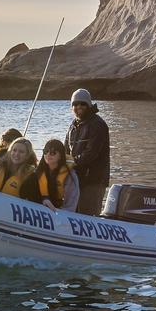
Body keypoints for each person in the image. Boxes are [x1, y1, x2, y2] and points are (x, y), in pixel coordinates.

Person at [65, 88, 110, 216]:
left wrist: (70, 163)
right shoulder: (73, 126)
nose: (78, 106)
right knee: (73, 214)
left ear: (89, 104)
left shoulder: (98, 125)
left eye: (82, 103)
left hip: (93, 181)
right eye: (75, 104)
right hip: (75, 179)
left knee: (89, 216)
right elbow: (65, 150)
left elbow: (91, 154)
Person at [29, 139, 79, 212]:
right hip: (39, 207)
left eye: (53, 153)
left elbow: (71, 205)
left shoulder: (70, 176)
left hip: (58, 210)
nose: (48, 155)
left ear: (60, 156)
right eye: (46, 152)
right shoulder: (37, 172)